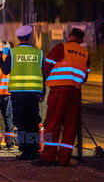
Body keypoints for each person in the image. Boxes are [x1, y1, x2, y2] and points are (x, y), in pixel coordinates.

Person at [33, 28, 90, 167]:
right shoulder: (85, 54)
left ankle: (48, 157)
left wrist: (50, 79)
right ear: (81, 40)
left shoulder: (60, 48)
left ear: (69, 36)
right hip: (75, 92)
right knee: (70, 126)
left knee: (52, 123)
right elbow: (85, 77)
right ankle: (64, 159)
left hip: (59, 90)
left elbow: (46, 68)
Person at [0, 25, 45, 160]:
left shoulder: (13, 53)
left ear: (18, 38)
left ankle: (25, 151)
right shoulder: (39, 53)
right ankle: (34, 149)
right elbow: (43, 74)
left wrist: (0, 59)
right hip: (34, 93)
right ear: (30, 37)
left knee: (21, 121)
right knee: (33, 121)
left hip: (18, 93)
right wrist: (43, 93)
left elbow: (5, 71)